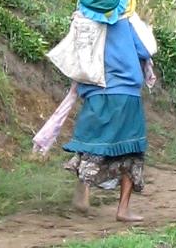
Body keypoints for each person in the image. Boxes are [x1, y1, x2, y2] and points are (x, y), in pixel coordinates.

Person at [63, 15, 151, 222]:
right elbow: (145, 51)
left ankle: (83, 187)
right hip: (125, 92)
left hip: (94, 90)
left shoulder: (82, 24)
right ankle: (123, 209)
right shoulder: (125, 23)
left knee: (92, 145)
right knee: (131, 149)